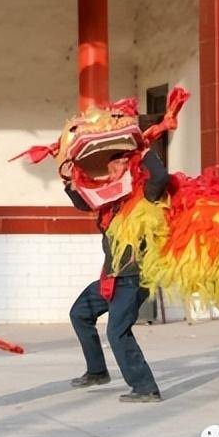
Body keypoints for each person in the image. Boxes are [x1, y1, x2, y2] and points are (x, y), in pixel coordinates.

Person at [66, 150, 167, 403]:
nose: (113, 171)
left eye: (119, 165)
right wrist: (69, 183)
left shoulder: (146, 195)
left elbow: (161, 177)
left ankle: (146, 387)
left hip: (134, 278)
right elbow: (85, 202)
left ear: (131, 166)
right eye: (110, 167)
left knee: (117, 332)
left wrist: (146, 153)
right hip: (111, 277)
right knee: (80, 313)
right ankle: (98, 371)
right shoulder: (113, 201)